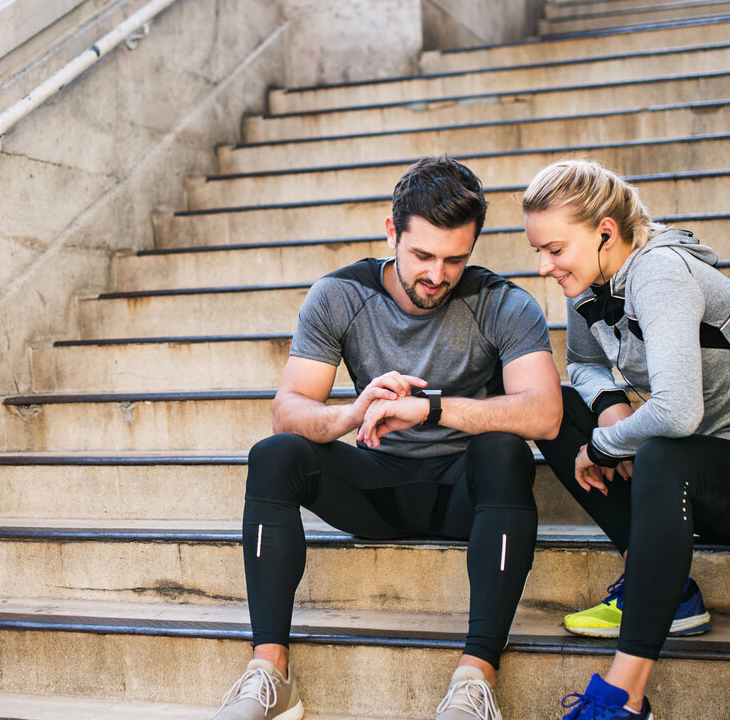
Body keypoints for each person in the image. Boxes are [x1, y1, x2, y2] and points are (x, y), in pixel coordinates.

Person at [214, 156, 562, 720]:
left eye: (455, 259)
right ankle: (270, 673)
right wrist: (354, 412)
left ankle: (475, 681)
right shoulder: (339, 295)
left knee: (504, 449)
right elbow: (289, 410)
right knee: (275, 455)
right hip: (378, 485)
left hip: (468, 496)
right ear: (391, 233)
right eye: (422, 255)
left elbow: (545, 414)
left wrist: (430, 409)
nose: (436, 274)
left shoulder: (502, 302)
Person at [522, 159, 730, 719]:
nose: (547, 266)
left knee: (662, 455)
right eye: (539, 252)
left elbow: (676, 412)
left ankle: (623, 699)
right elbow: (581, 361)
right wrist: (608, 411)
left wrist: (607, 446)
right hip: (708, 476)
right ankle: (665, 586)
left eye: (556, 249)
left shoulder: (661, 273)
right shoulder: (589, 285)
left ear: (604, 231)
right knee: (559, 408)